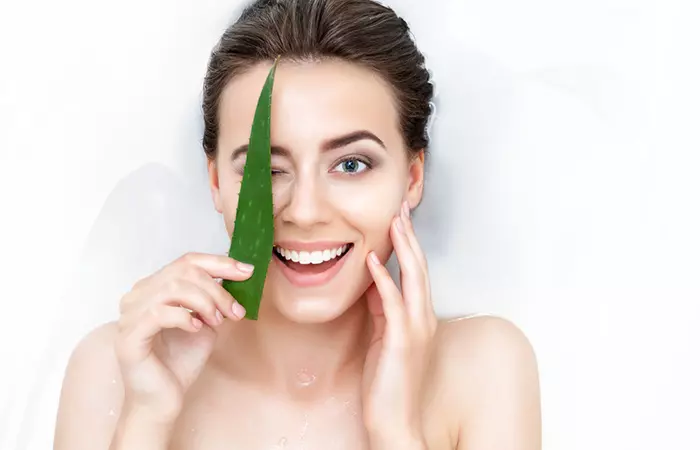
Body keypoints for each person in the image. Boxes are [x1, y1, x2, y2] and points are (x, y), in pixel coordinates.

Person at [53, 0, 541, 448]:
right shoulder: (115, 370)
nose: (304, 212)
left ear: (412, 178)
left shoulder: (483, 368)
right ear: (217, 180)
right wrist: (147, 419)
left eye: (351, 164)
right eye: (266, 168)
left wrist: (395, 427)